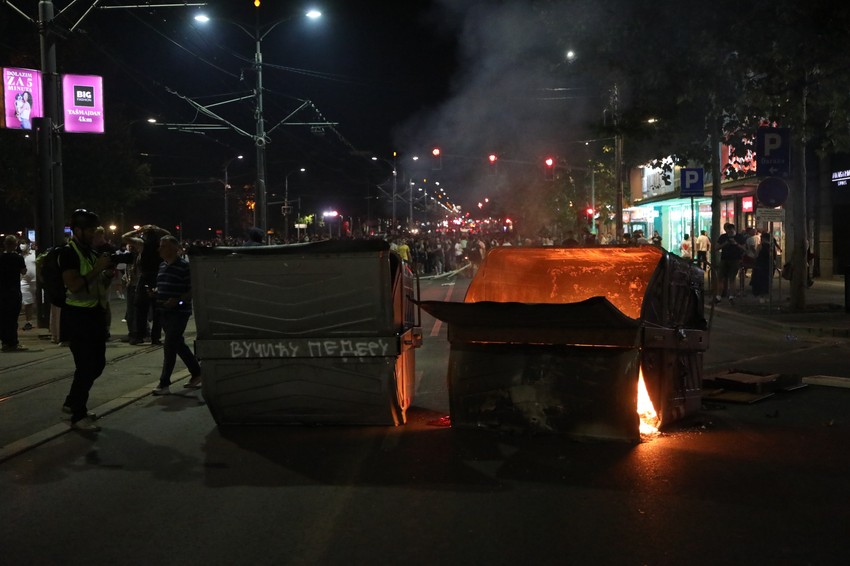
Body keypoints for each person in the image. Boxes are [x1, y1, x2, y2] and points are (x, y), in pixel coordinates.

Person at [60, 209, 113, 431]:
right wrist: (98, 269)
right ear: (78, 230)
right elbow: (74, 285)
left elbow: (95, 283)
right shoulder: (69, 253)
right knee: (85, 365)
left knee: (97, 364)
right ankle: (78, 415)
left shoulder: (89, 252)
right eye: (90, 230)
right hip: (78, 317)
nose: (94, 234)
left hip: (95, 315)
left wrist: (105, 275)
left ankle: (73, 402)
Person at [151, 235, 202, 395]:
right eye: (160, 246)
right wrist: (155, 293)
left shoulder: (184, 267)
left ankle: (164, 383)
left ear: (174, 248)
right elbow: (163, 286)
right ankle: (197, 373)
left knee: (170, 344)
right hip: (164, 311)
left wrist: (178, 301)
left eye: (164, 246)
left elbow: (192, 289)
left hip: (179, 312)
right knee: (178, 343)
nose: (160, 249)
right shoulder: (162, 266)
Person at [123, 224, 170, 345]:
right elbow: (169, 234)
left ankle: (139, 335)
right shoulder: (161, 243)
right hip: (158, 277)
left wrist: (137, 230)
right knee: (157, 309)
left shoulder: (142, 243)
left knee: (140, 307)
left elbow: (125, 237)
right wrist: (158, 229)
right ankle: (156, 337)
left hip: (145, 277)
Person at [1, 234, 27, 352]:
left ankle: (5, 342)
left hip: (2, 291)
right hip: (14, 290)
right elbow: (23, 271)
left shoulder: (0, 257)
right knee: (13, 318)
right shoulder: (18, 258)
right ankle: (13, 342)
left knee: (3, 317)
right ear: (15, 245)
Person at [715, 223, 747, 304]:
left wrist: (736, 244)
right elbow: (716, 248)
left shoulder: (739, 237)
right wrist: (725, 243)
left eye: (731, 232)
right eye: (728, 232)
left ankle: (731, 296)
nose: (729, 234)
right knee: (720, 277)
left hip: (735, 259)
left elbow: (745, 248)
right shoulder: (723, 237)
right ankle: (718, 296)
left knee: (732, 278)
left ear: (734, 230)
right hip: (724, 259)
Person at [19, 239, 36, 331]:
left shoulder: (34, 253)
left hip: (37, 281)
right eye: (20, 244)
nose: (22, 245)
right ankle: (28, 321)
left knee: (40, 302)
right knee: (27, 303)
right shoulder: (19, 256)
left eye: (23, 243)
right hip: (25, 282)